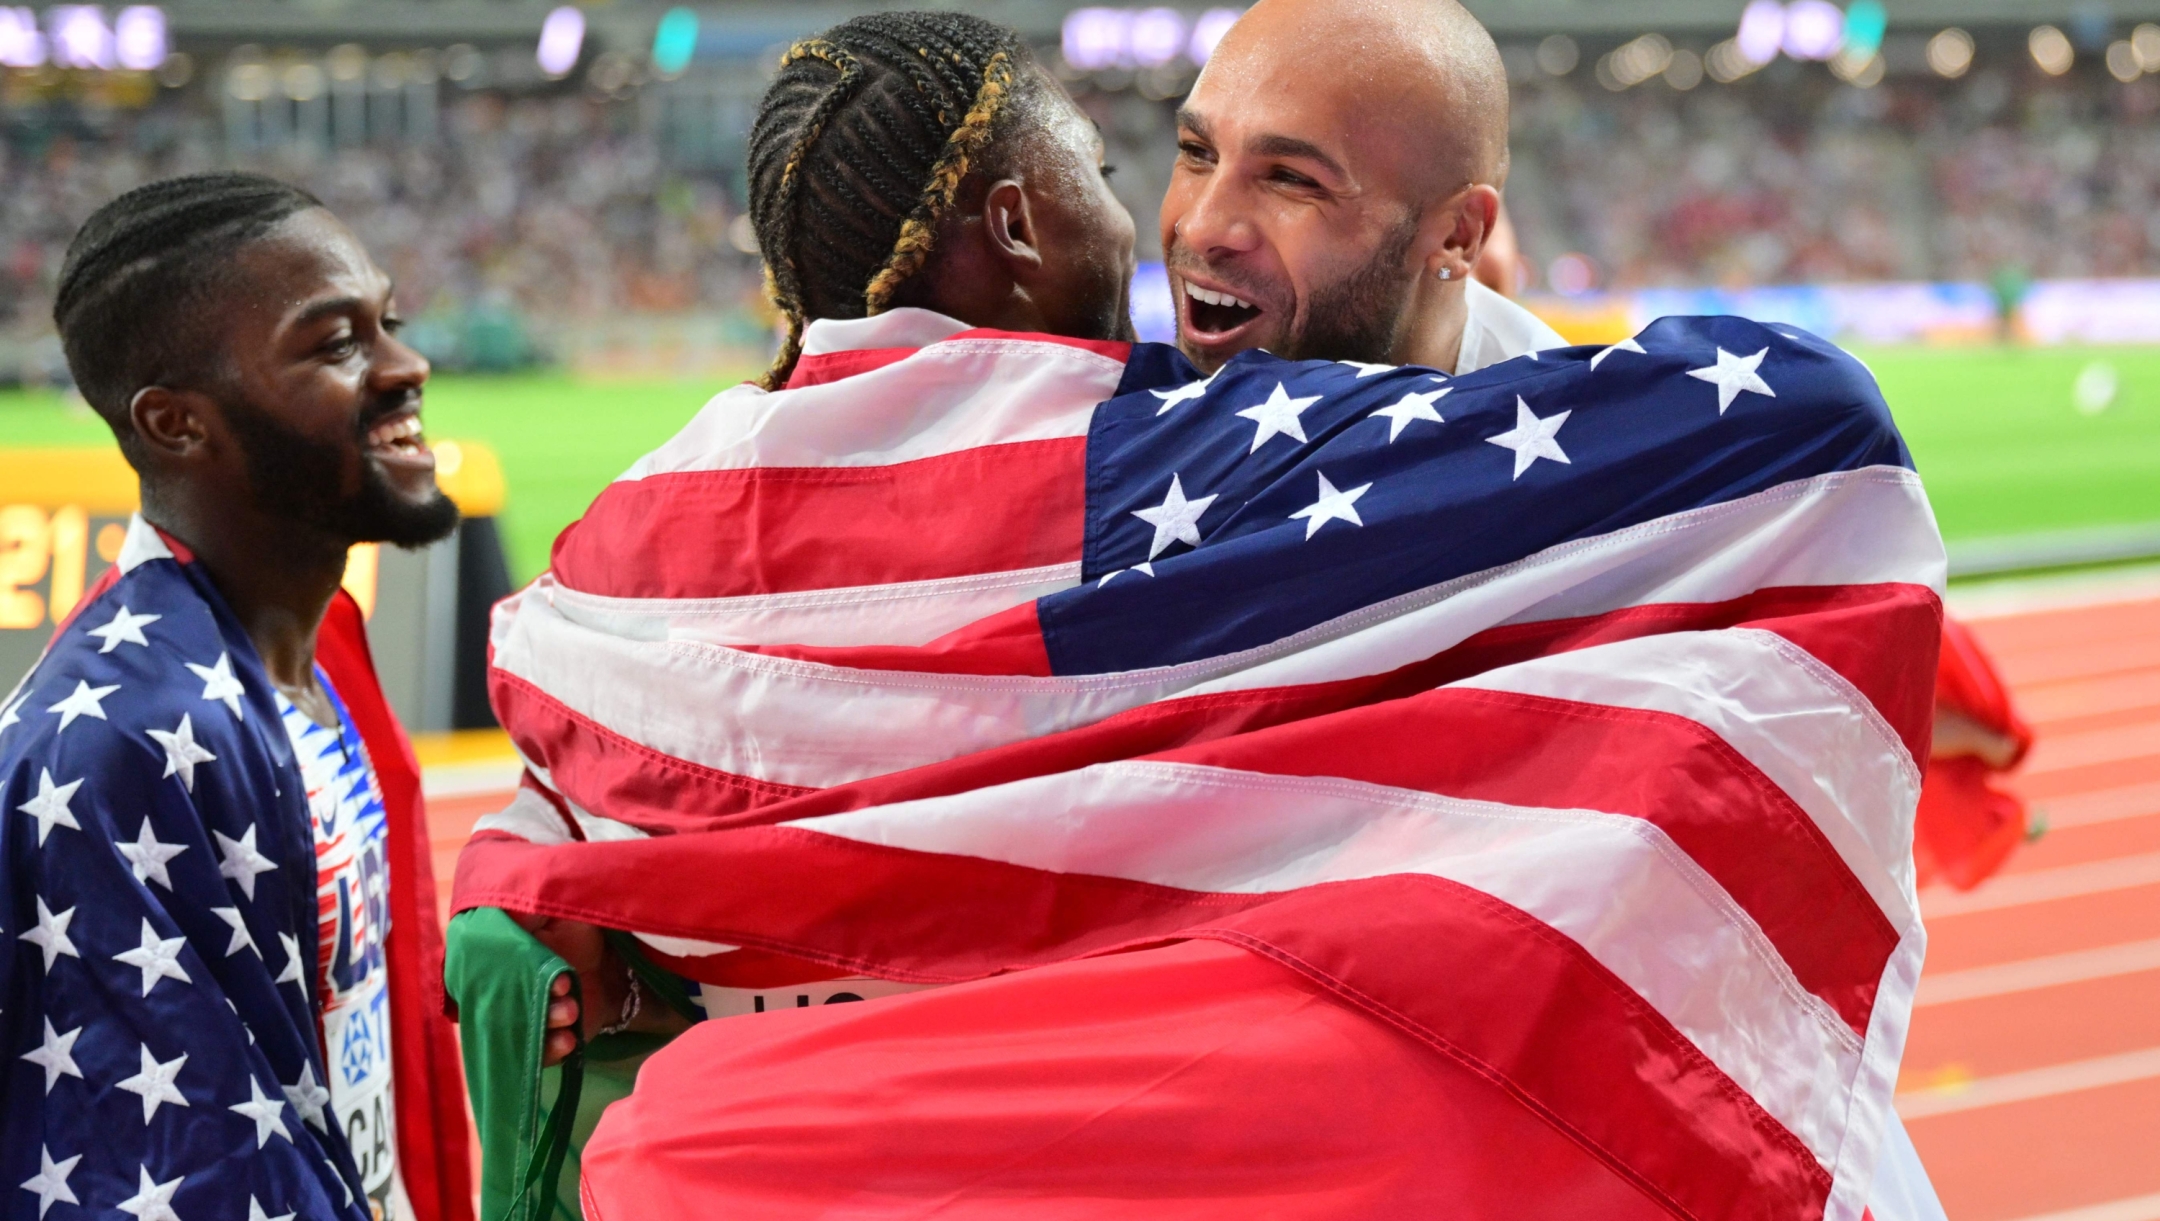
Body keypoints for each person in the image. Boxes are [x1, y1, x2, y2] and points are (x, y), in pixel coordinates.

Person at [2, 173, 471, 1221]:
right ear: (176, 424)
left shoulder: (314, 650)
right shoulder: (121, 748)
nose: (406, 365)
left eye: (385, 322)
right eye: (335, 343)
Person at [1160, 0, 1563, 376]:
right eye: (1197, 152)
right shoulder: (1126, 405)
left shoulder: (1571, 439)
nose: (1198, 228)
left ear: (1459, 234)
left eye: (1290, 179)